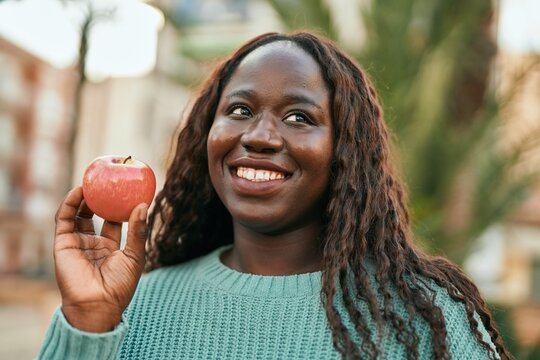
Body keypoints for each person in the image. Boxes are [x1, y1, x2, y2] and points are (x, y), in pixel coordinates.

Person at [38, 32, 510, 360]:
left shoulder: (424, 319)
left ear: (345, 151)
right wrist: (87, 322)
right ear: (208, 133)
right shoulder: (133, 304)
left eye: (299, 117)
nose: (260, 136)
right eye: (240, 110)